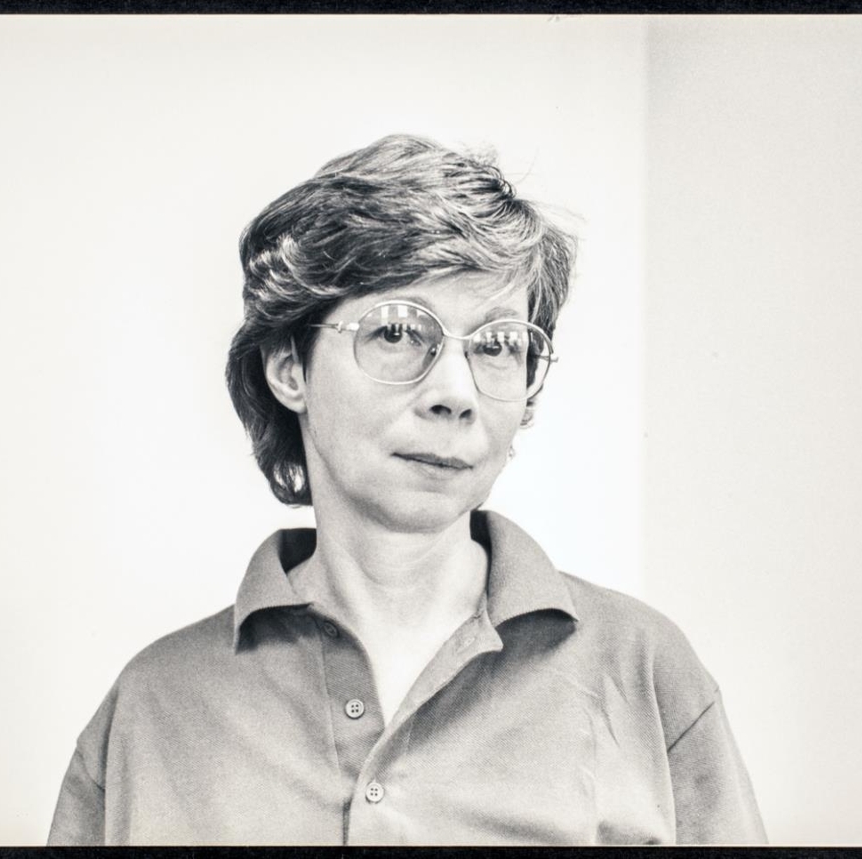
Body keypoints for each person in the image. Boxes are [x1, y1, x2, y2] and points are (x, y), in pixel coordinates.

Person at [46, 134, 766, 846]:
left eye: (498, 344)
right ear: (289, 367)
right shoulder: (152, 708)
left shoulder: (646, 674)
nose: (456, 392)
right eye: (395, 332)